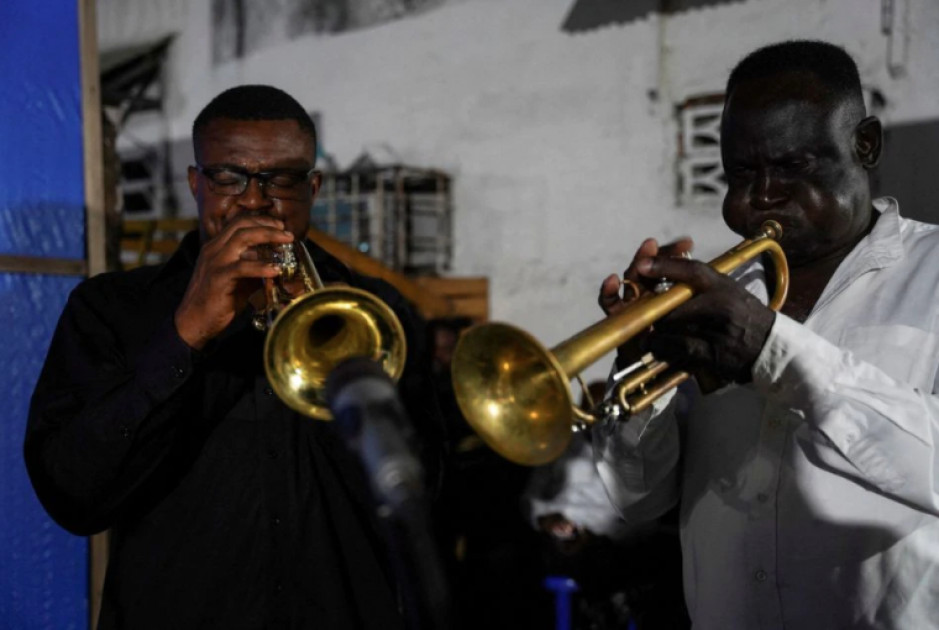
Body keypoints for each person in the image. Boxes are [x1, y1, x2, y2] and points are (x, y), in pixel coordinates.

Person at [543, 41, 939, 629]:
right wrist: (635, 368)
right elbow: (638, 500)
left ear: (866, 145)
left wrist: (770, 350)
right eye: (741, 174)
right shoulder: (722, 295)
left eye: (791, 168)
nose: (759, 199)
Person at [25, 85, 441, 629]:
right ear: (196, 184)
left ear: (312, 188)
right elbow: (73, 497)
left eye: (281, 179)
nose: (252, 200)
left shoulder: (376, 314)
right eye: (228, 176)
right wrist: (186, 331)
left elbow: (424, 492)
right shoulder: (110, 310)